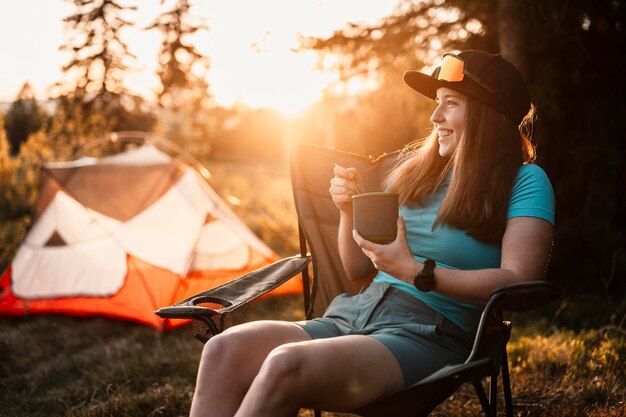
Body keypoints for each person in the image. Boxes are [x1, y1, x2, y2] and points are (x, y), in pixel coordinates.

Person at [189, 50, 555, 417]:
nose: (435, 116)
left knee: (285, 364)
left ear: (486, 116)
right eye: (437, 103)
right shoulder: (416, 173)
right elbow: (354, 267)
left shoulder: (525, 182)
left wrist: (415, 272)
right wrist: (348, 211)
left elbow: (519, 280)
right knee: (223, 349)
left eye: (451, 103)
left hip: (428, 334)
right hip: (353, 315)